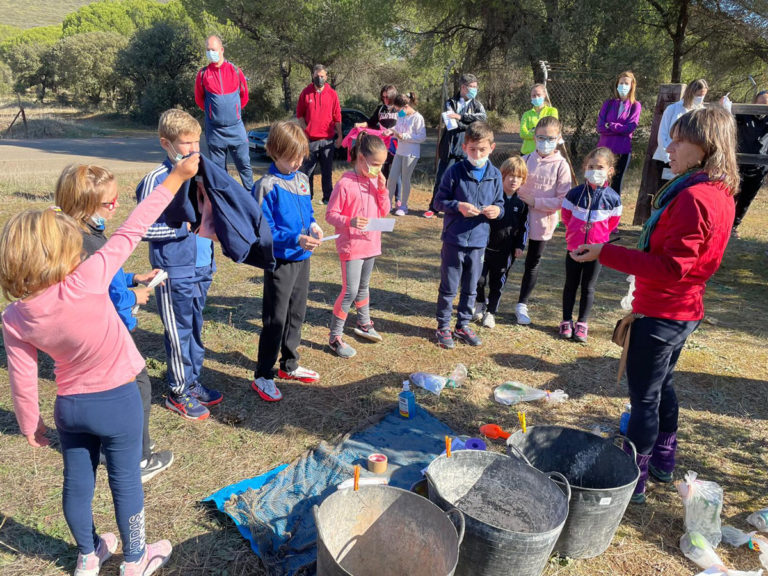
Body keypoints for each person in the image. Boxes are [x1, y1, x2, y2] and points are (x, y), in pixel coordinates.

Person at [0, 154, 200, 576]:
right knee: (125, 481)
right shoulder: (88, 278)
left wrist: (30, 423)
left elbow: (22, 378)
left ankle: (89, 555)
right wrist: (176, 178)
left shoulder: (14, 316)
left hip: (70, 408)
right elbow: (134, 226)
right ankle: (135, 559)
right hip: (118, 401)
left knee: (77, 483)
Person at [572, 107, 738, 503]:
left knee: (644, 398)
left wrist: (605, 252)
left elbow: (672, 267)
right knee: (662, 385)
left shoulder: (695, 197)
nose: (670, 148)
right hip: (683, 310)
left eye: (680, 141)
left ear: (706, 147)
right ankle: (664, 459)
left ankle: (634, 477)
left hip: (663, 312)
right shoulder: (718, 192)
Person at [54, 165, 174, 483]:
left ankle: (113, 446)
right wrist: (134, 296)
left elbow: (105, 275)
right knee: (138, 386)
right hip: (109, 331)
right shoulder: (90, 244)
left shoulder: (75, 234)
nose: (116, 206)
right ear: (84, 205)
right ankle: (139, 458)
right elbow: (102, 294)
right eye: (109, 202)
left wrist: (133, 277)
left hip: (89, 334)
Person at [136, 109, 222, 421]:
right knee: (178, 331)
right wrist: (179, 230)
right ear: (166, 143)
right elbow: (142, 228)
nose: (194, 149)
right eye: (186, 143)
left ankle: (192, 381)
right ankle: (178, 391)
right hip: (173, 272)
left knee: (195, 327)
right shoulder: (156, 180)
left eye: (197, 142)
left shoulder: (201, 174)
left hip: (201, 267)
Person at [251, 121, 323, 402]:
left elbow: (309, 213)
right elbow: (263, 231)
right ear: (273, 151)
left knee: (296, 313)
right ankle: (263, 375)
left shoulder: (302, 180)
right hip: (280, 261)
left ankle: (289, 365)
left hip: (303, 258)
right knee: (276, 319)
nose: (296, 163)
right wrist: (295, 238)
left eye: (300, 157)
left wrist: (314, 226)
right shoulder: (266, 186)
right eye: (290, 158)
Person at [434, 121, 504, 349]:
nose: (477, 154)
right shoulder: (454, 171)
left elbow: (500, 204)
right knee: (449, 287)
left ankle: (462, 325)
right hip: (454, 239)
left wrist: (497, 211)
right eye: (472, 149)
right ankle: (443, 326)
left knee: (471, 287)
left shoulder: (495, 175)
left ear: (491, 148)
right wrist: (458, 206)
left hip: (478, 241)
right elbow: (438, 202)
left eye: (482, 149)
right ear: (464, 148)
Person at [325, 133, 391, 358]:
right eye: (375, 164)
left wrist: (382, 189)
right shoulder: (345, 183)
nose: (378, 169)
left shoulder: (375, 181)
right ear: (361, 158)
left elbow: (384, 211)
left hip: (371, 242)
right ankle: (335, 337)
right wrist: (349, 221)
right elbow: (330, 215)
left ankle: (364, 323)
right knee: (350, 291)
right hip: (352, 246)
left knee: (364, 287)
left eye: (382, 165)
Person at [559, 148, 622, 342]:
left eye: (600, 167)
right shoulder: (574, 194)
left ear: (610, 170)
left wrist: (599, 237)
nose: (595, 171)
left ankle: (582, 323)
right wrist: (575, 234)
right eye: (591, 166)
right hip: (574, 247)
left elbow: (613, 223)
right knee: (570, 284)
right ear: (585, 168)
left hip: (596, 251)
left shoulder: (613, 198)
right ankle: (566, 320)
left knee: (588, 287)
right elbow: (566, 217)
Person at [515, 116, 572, 326]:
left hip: (543, 222)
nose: (545, 142)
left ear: (558, 138)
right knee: (505, 258)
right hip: (518, 220)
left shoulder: (561, 166)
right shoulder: (525, 159)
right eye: (541, 137)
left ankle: (522, 304)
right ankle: (489, 300)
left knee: (532, 262)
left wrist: (536, 202)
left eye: (550, 138)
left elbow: (563, 200)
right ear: (534, 137)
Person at [472, 156, 528, 329]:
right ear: (502, 176)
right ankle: (479, 303)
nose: (514, 180)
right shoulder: (492, 198)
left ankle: (491, 312)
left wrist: (519, 246)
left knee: (498, 283)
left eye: (518, 177)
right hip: (484, 247)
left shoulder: (522, 204)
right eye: (510, 175)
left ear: (523, 180)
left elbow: (523, 228)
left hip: (506, 251)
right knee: (479, 279)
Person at [195, 35, 253, 191]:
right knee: (219, 170)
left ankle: (251, 197)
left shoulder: (235, 71)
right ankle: (224, 198)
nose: (210, 53)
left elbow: (244, 96)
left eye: (213, 50)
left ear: (221, 50)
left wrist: (234, 113)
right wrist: (213, 113)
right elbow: (199, 99)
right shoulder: (203, 74)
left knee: (244, 165)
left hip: (236, 128)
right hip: (214, 130)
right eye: (208, 50)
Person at [424, 73, 487, 219]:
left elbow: (482, 119)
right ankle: (434, 207)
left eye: (476, 87)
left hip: (467, 149)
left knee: (464, 180)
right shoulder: (450, 103)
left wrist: (461, 117)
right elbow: (451, 124)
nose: (475, 89)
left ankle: (460, 208)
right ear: (463, 87)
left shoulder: (477, 105)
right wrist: (468, 124)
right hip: (449, 148)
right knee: (442, 178)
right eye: (472, 86)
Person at [296, 64, 343, 203]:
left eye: (322, 76)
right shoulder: (306, 92)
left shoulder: (332, 94)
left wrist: (340, 136)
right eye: (317, 76)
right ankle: (306, 197)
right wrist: (305, 131)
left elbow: (337, 117)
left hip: (327, 140)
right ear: (313, 76)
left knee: (327, 172)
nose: (319, 78)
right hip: (310, 140)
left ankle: (327, 198)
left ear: (326, 77)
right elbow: (300, 115)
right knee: (307, 171)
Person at [725, 90, 768, 237]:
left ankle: (734, 226)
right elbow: (728, 115)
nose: (763, 106)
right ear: (754, 102)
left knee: (746, 198)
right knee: (731, 195)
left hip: (760, 167)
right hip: (738, 165)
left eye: (766, 104)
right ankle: (725, 224)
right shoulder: (744, 114)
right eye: (761, 102)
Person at [652, 78, 708, 189]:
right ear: (691, 93)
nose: (700, 98)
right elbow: (662, 135)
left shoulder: (702, 112)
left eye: (703, 95)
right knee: (665, 190)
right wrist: (669, 158)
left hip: (689, 162)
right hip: (667, 159)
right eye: (698, 95)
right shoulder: (673, 109)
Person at [597, 71, 642, 195]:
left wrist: (610, 125)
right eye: (621, 83)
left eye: (626, 83)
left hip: (622, 150)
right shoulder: (608, 104)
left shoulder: (635, 106)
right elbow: (600, 127)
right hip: (604, 150)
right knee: (600, 181)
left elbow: (630, 128)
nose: (623, 86)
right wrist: (619, 129)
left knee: (615, 184)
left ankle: (613, 206)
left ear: (632, 86)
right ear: (617, 85)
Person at [385, 92, 426, 216]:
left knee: (405, 179)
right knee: (392, 178)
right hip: (399, 151)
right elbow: (397, 128)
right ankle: (387, 204)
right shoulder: (401, 115)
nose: (398, 112)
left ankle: (403, 206)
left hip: (411, 153)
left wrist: (405, 136)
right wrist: (391, 131)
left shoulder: (418, 118)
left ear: (406, 106)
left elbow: (422, 137)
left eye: (399, 109)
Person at [519, 83, 559, 155]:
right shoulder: (526, 114)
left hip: (545, 153)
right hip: (527, 152)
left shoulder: (552, 111)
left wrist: (532, 131)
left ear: (544, 95)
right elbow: (522, 134)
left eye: (538, 95)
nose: (536, 97)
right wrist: (541, 135)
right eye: (533, 95)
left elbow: (552, 130)